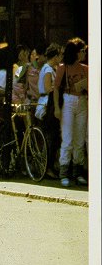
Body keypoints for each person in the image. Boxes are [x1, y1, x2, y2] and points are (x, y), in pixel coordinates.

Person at [53, 38, 88, 187]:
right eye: (83, 51)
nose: (84, 53)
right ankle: (64, 173)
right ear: (77, 52)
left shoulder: (85, 68)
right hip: (68, 101)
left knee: (79, 140)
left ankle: (77, 173)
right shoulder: (63, 67)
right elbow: (55, 88)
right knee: (67, 139)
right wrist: (56, 107)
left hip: (82, 101)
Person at [36, 44, 62, 179]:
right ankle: (48, 167)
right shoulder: (47, 70)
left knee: (52, 137)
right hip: (47, 105)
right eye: (60, 55)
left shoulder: (50, 68)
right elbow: (47, 88)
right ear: (55, 56)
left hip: (49, 103)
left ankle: (49, 165)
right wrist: (57, 88)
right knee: (50, 137)